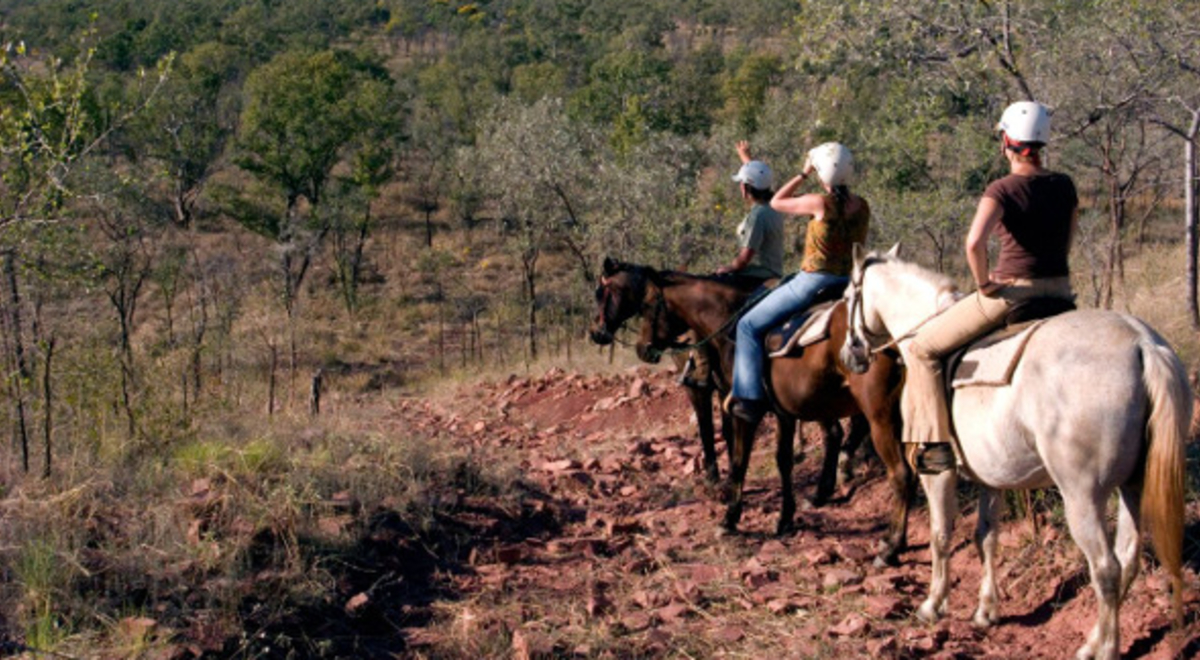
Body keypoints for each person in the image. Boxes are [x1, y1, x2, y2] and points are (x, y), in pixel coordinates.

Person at [904, 100, 1077, 474]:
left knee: (922, 349)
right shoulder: (1065, 185)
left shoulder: (1002, 188)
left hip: (1015, 293)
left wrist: (984, 283)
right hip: (1060, 292)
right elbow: (1068, 240)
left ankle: (935, 447)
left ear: (1007, 141)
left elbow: (973, 243)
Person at [727, 142, 869, 422]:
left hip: (813, 281)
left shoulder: (818, 202)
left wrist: (804, 173)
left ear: (820, 173)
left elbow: (777, 201)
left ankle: (750, 398)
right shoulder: (862, 205)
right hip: (850, 281)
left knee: (747, 325)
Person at [682, 141, 785, 389]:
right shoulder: (772, 207)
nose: (740, 186)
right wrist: (746, 158)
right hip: (771, 273)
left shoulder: (757, 215)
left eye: (742, 183)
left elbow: (744, 258)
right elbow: (760, 177)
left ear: (745, 188)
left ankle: (703, 369)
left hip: (753, 276)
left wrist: (729, 267)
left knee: (697, 303)